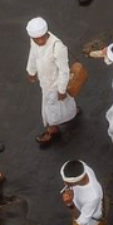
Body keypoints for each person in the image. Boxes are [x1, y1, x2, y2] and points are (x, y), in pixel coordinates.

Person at [25, 17, 78, 146]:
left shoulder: (57, 47)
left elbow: (64, 71)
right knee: (65, 101)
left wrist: (61, 89)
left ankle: (52, 129)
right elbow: (33, 55)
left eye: (42, 37)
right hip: (45, 81)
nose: (40, 41)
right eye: (36, 39)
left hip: (55, 84)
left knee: (51, 107)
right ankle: (72, 112)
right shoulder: (34, 42)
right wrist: (31, 71)